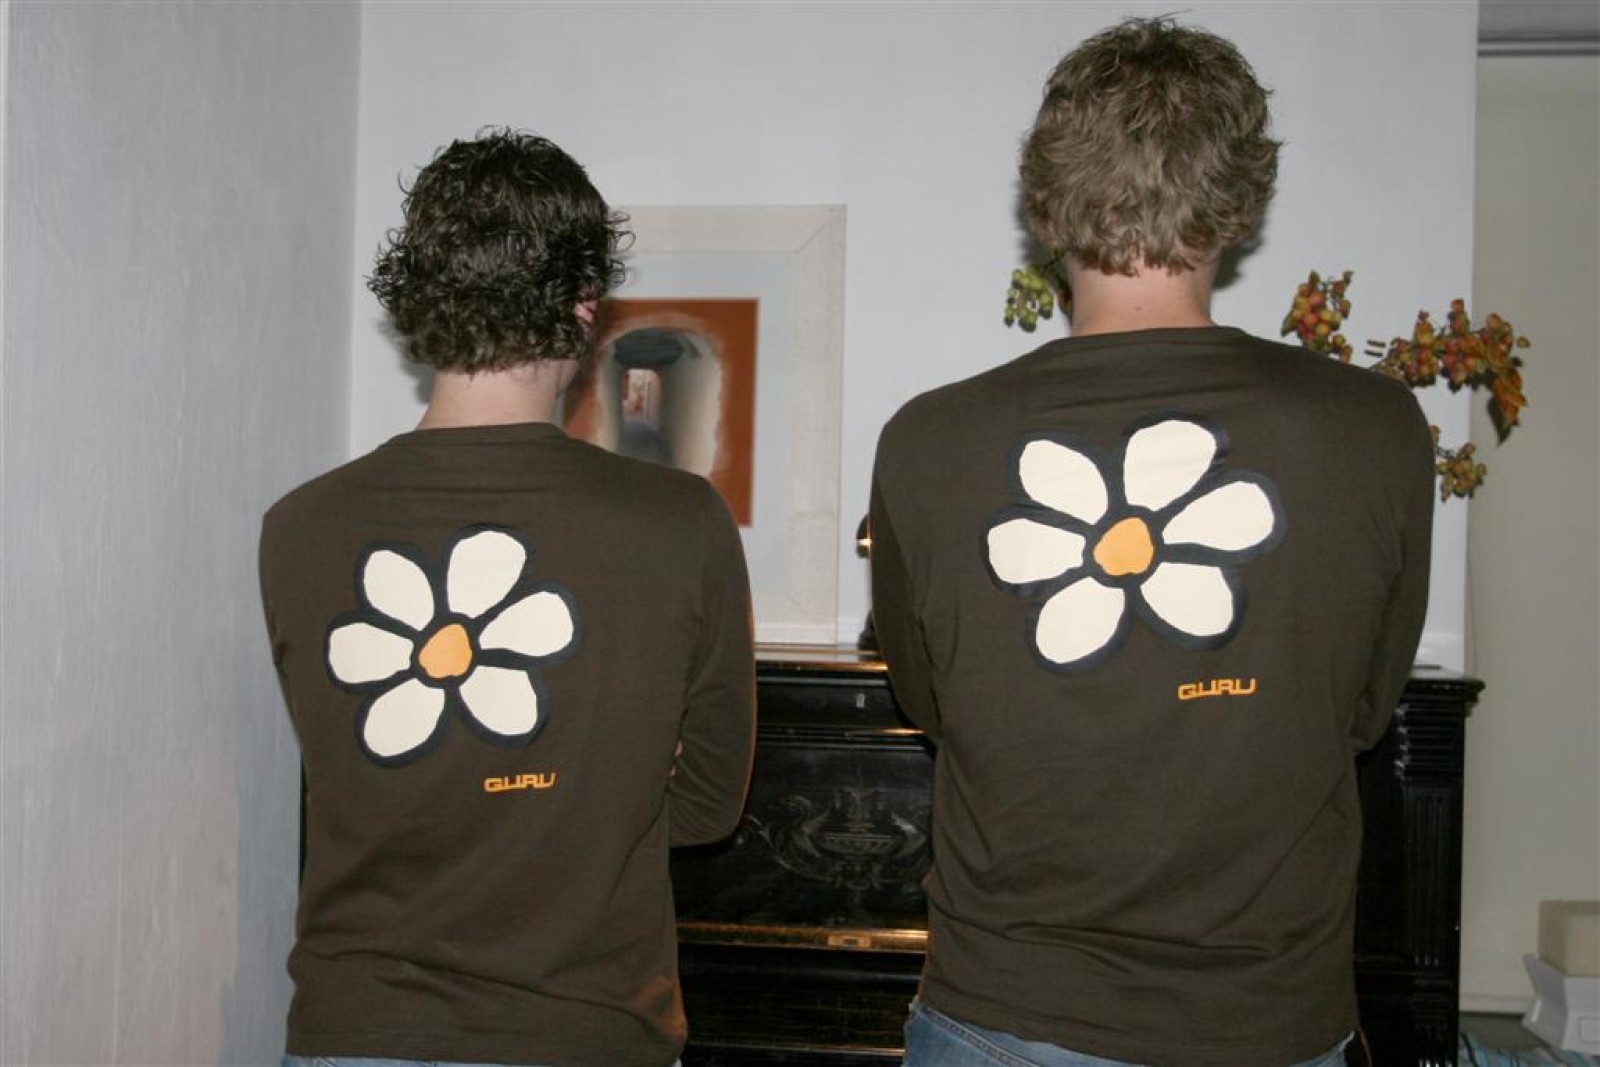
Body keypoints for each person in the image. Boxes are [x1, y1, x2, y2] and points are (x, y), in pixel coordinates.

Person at [870, 18, 1433, 1067]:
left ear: (1045, 206)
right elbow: (1363, 712)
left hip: (1006, 1013)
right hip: (1268, 1020)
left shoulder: (926, 442)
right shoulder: (1375, 426)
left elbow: (928, 701)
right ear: (1240, 204)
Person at [259, 128, 756, 1067]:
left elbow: (367, 787)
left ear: (422, 298)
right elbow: (705, 807)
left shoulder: (298, 528)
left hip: (355, 1030)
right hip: (588, 1032)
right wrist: (606, 782)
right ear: (583, 306)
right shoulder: (681, 523)